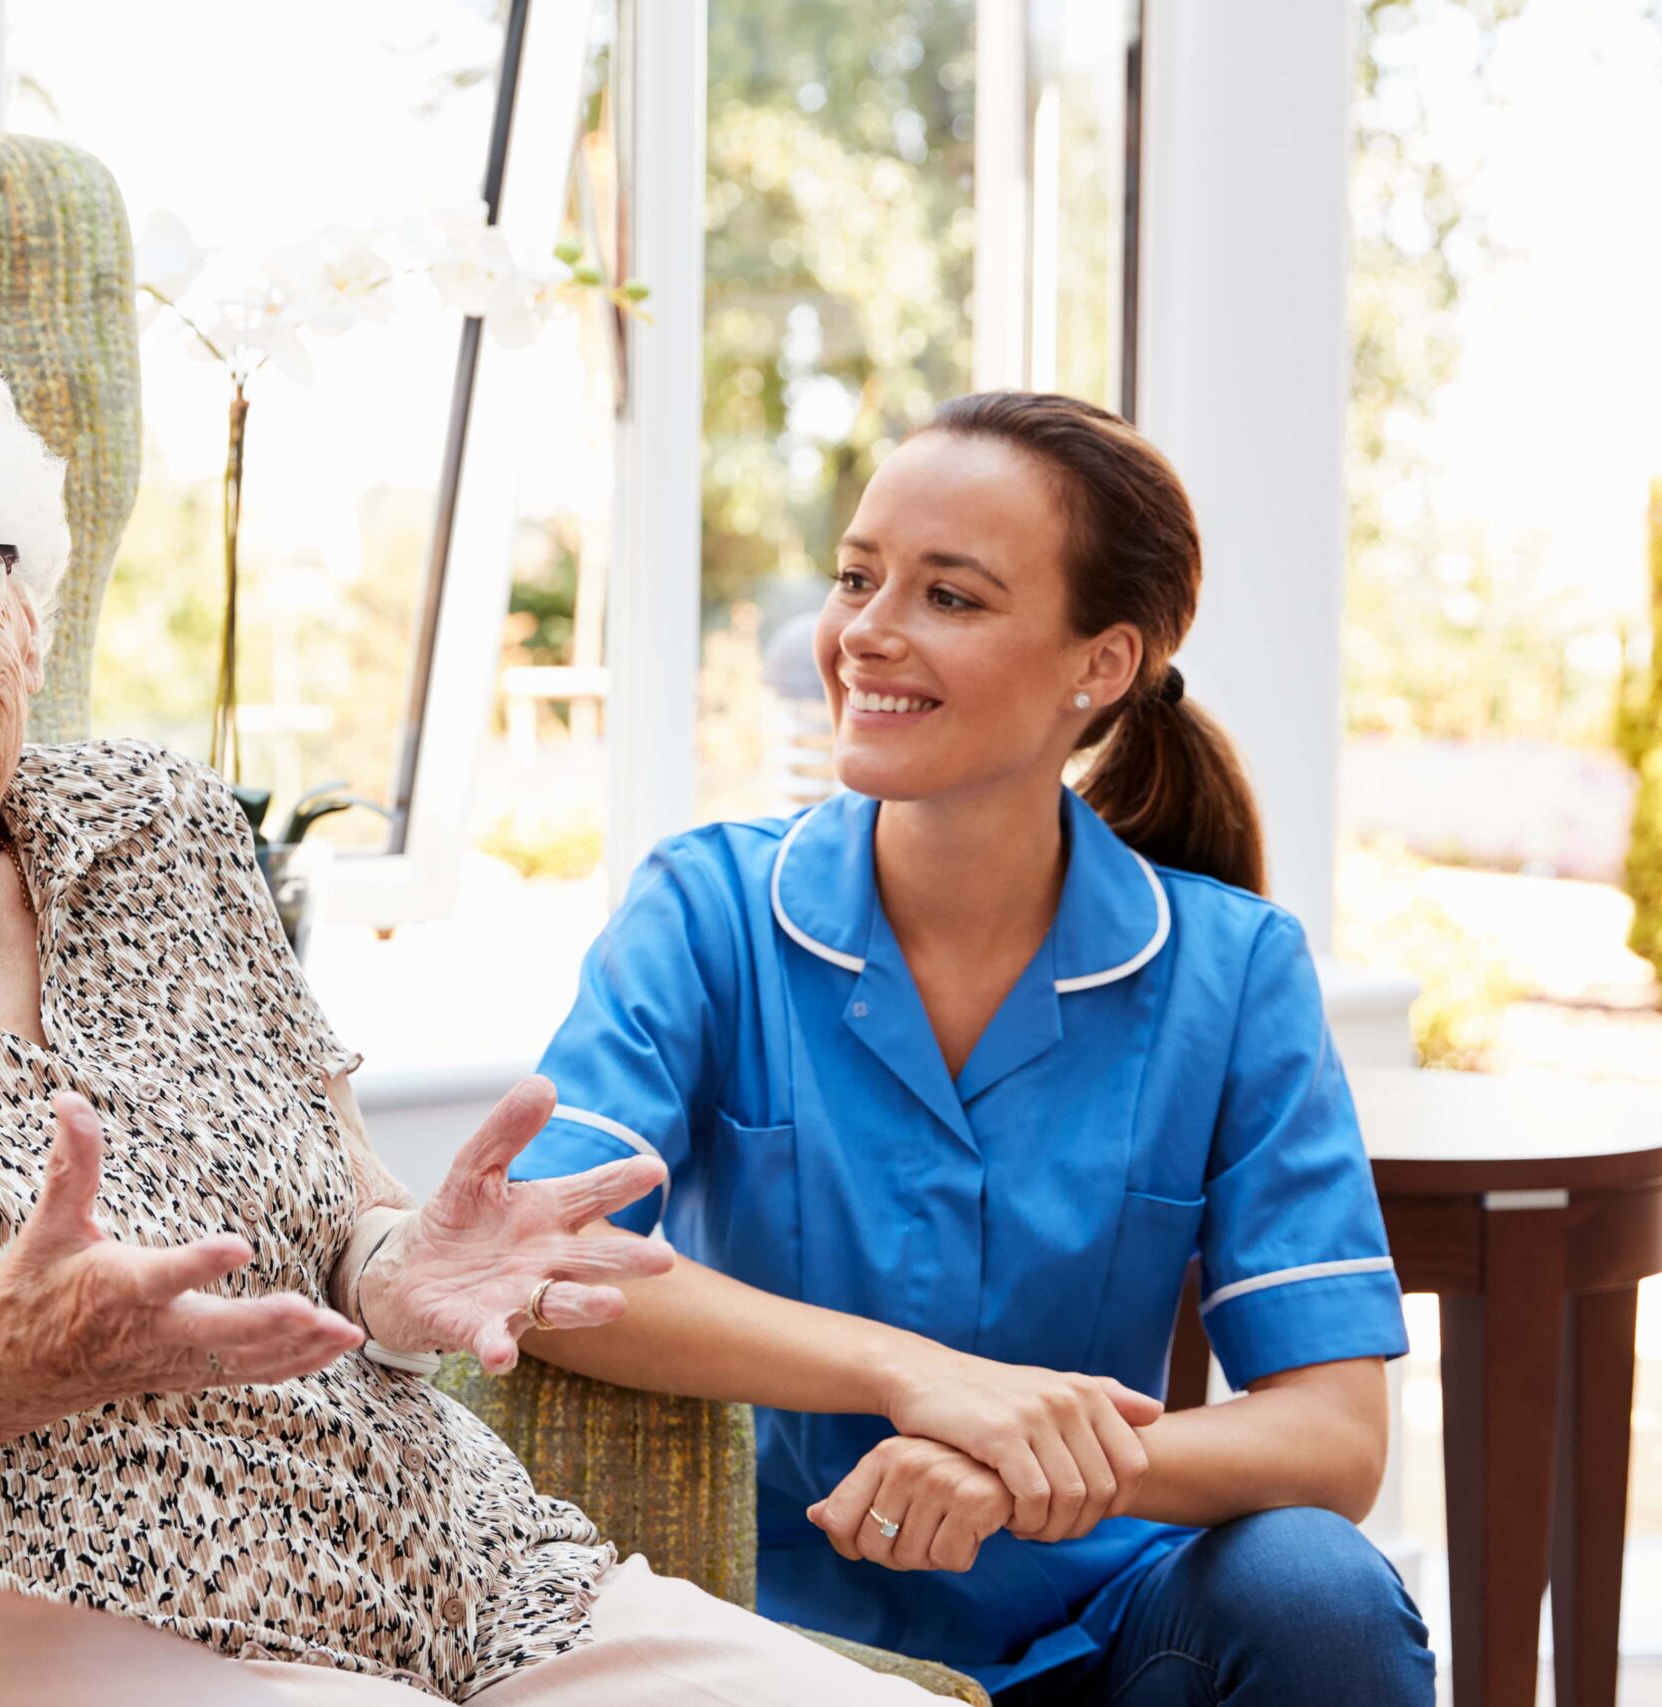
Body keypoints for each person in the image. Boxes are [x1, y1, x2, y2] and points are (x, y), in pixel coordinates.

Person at [0, 315, 936, 1705]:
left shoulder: (159, 827)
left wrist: (400, 1268)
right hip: (103, 1645)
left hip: (489, 1581)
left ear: (28, 612)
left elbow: (345, 1216)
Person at [501, 393, 1436, 1703]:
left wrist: (1018, 1470)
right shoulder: (708, 910)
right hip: (763, 1623)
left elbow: (1333, 1434)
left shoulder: (1232, 972)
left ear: (1097, 666)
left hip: (1105, 1617)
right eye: (857, 578)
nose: (864, 634)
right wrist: (922, 1379)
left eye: (951, 596)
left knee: (1324, 1599)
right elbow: (536, 1262)